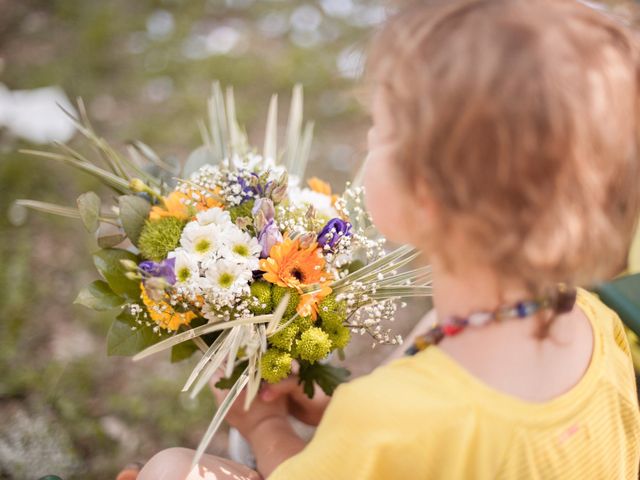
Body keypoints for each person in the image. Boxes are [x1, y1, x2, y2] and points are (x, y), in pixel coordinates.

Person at [133, 0, 640, 478]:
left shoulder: (389, 420)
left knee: (172, 469)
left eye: (381, 129)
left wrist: (265, 427)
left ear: (427, 194)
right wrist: (334, 411)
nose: (369, 140)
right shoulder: (597, 326)